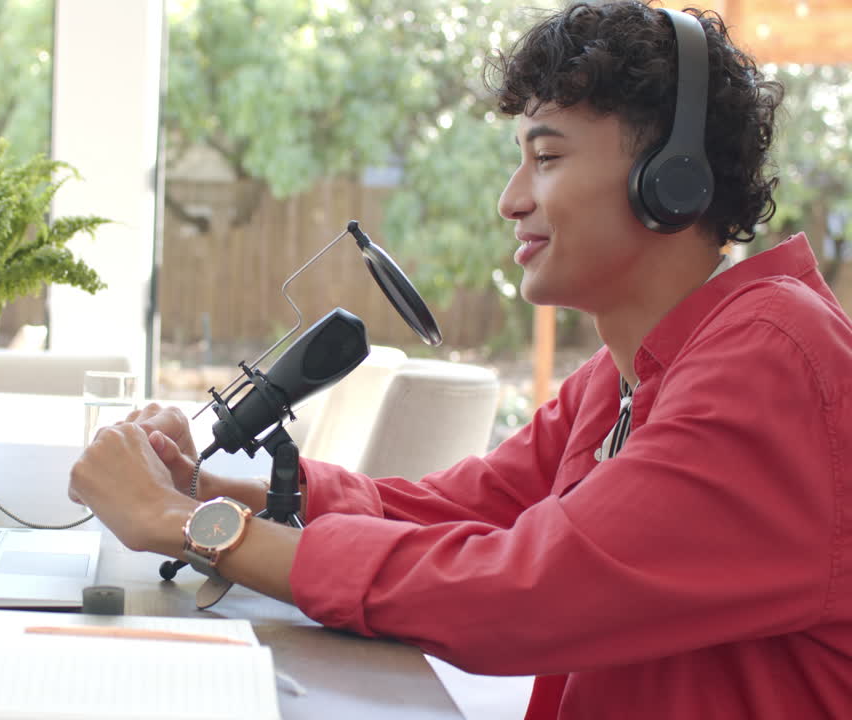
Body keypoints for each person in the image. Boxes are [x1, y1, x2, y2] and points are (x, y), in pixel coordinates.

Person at [69, 2, 852, 718]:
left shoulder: (773, 363)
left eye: (546, 158)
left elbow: (522, 592)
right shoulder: (627, 374)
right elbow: (456, 512)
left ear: (671, 183)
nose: (510, 199)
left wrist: (185, 525)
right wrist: (205, 486)